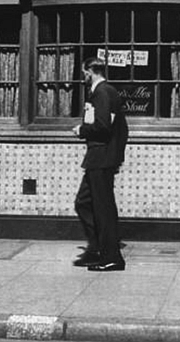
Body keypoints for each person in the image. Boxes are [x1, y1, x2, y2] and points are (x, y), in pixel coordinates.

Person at [72, 57, 129, 271]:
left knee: (102, 207)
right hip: (101, 157)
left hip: (101, 157)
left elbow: (103, 126)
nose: (83, 76)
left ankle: (111, 257)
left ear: (90, 71)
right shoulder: (107, 91)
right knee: (84, 202)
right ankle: (97, 249)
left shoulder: (102, 92)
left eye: (84, 72)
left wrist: (82, 130)